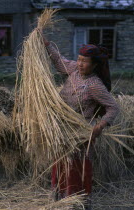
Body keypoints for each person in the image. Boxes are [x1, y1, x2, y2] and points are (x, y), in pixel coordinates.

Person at [42, 34, 120, 209]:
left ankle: (76, 202)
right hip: (64, 128)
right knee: (61, 163)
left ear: (94, 65)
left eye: (85, 61)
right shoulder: (73, 71)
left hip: (81, 134)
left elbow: (113, 107)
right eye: (79, 59)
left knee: (76, 167)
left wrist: (100, 126)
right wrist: (47, 44)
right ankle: (60, 200)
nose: (80, 64)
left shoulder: (94, 85)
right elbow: (58, 60)